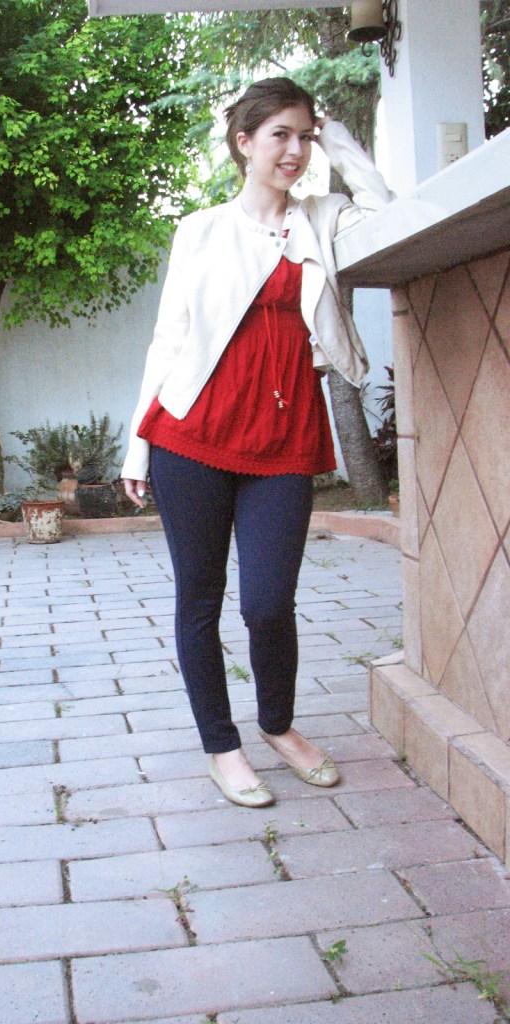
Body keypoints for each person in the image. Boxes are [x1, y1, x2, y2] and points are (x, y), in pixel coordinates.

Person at [121, 77, 392, 808]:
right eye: (280, 135)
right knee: (200, 600)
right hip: (192, 433)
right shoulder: (201, 230)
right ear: (243, 143)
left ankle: (279, 725)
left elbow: (390, 211)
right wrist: (137, 445)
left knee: (269, 602)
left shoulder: (321, 219)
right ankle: (222, 745)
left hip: (283, 438)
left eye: (305, 136)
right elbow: (169, 340)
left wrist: (336, 136)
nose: (295, 151)